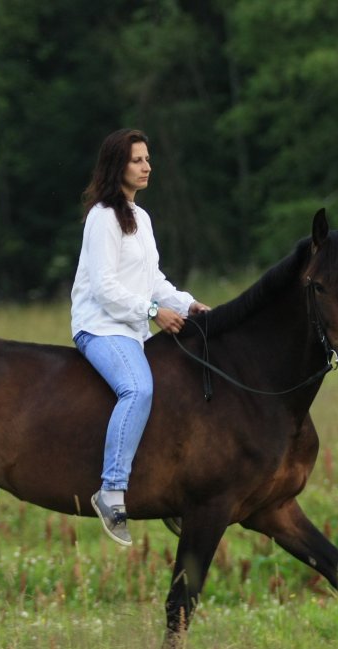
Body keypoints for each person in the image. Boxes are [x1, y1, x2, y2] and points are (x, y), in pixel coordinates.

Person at [70, 128, 209, 546]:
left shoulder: (141, 218)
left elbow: (153, 281)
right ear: (118, 166)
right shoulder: (102, 218)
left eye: (148, 159)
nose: (147, 166)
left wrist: (188, 306)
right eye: (137, 160)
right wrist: (153, 313)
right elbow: (105, 288)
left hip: (131, 330)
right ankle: (111, 491)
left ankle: (167, 494)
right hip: (100, 326)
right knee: (137, 389)